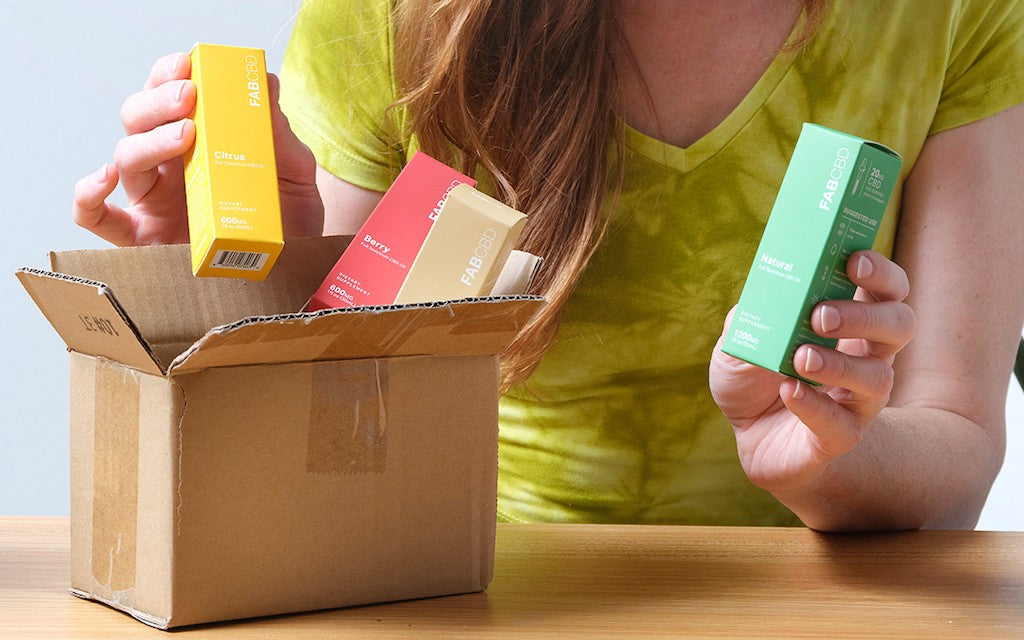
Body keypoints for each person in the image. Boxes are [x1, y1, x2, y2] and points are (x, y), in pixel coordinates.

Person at [73, 0, 1024, 530]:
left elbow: (958, 446)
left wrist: (828, 463)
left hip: (814, 596)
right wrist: (227, 288)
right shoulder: (390, 15)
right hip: (465, 582)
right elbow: (328, 449)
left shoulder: (953, 14)